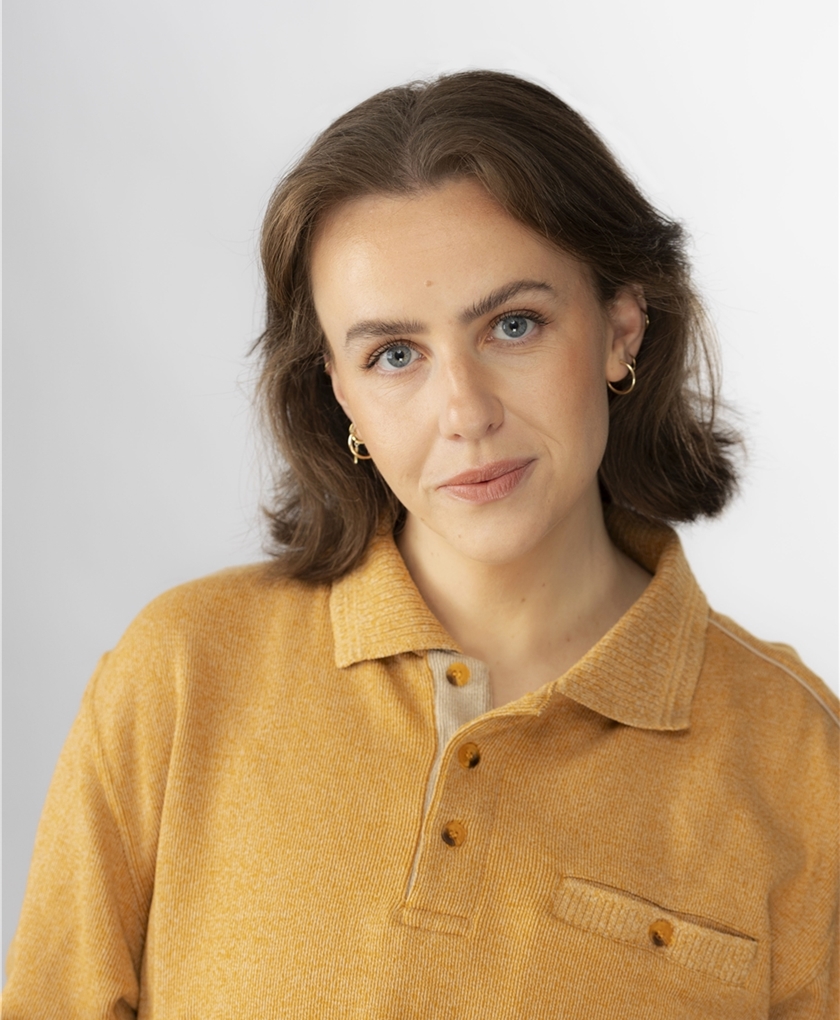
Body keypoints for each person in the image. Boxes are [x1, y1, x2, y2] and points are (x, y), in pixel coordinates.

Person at [4, 70, 837, 1019]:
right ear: (340, 392)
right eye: (394, 355)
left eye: (513, 326)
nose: (465, 412)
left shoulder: (801, 765)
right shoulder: (182, 673)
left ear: (620, 330)